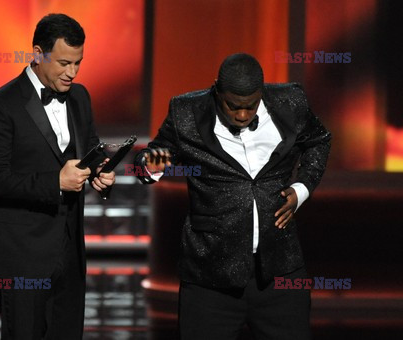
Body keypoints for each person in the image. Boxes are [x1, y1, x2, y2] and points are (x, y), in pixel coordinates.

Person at [134, 53, 331, 339]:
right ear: (216, 89)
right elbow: (148, 161)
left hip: (280, 274)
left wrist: (301, 190)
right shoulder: (186, 111)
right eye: (232, 106)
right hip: (209, 279)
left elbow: (319, 141)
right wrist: (149, 166)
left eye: (250, 107)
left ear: (261, 93)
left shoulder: (291, 102)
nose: (241, 115)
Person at [0, 13, 115, 339]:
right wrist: (55, 182)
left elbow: (90, 149)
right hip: (21, 258)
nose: (73, 72)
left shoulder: (80, 97)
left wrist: (101, 173)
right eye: (65, 63)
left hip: (69, 254)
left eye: (78, 63)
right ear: (38, 54)